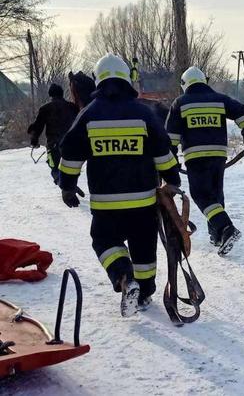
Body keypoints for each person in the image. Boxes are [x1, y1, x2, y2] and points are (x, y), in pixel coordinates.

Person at [58, 53, 181, 317]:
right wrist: (172, 180)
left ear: (99, 80)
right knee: (144, 248)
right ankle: (145, 292)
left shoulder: (88, 114)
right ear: (127, 78)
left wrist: (67, 185)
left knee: (103, 240)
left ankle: (124, 277)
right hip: (143, 202)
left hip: (106, 204)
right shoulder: (143, 113)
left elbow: (70, 152)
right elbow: (163, 151)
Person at [166, 66, 244, 255]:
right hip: (218, 156)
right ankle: (217, 235)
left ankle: (226, 228)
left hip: (195, 157)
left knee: (201, 195)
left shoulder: (180, 103)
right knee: (215, 194)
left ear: (184, 84)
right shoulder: (220, 99)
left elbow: (171, 138)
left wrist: (172, 161)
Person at [27, 83, 79, 184]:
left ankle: (64, 185)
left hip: (54, 145)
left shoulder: (45, 108)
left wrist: (34, 141)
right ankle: (70, 185)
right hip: (71, 144)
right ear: (62, 93)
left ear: (50, 94)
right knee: (71, 169)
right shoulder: (72, 107)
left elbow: (38, 126)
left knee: (55, 168)